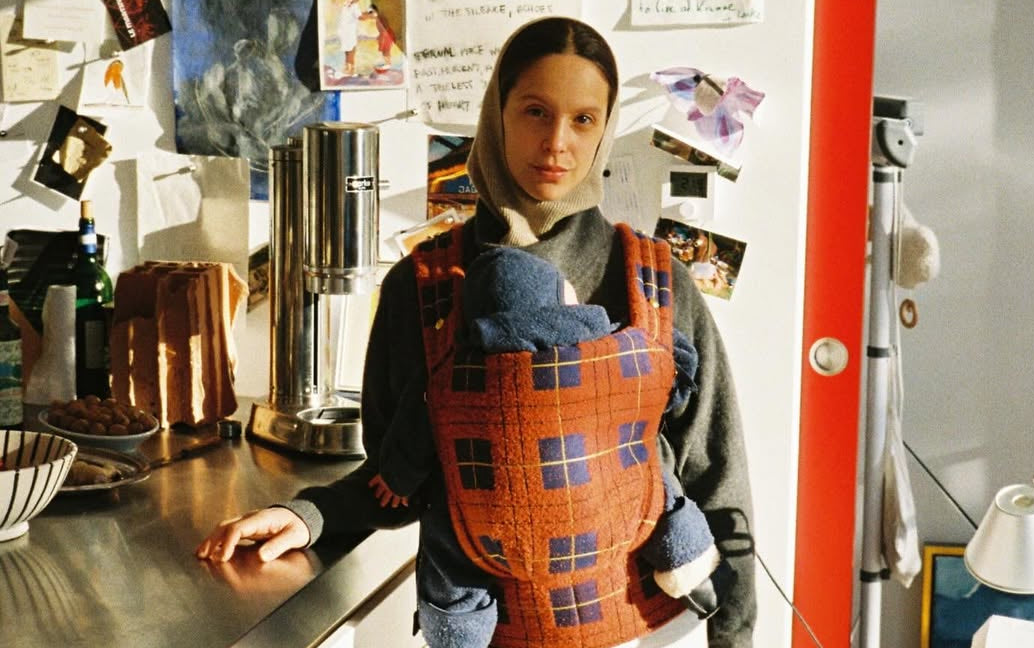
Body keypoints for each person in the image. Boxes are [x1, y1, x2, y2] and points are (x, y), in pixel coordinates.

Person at [197, 16, 755, 648]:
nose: (556, 144)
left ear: (604, 130)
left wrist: (735, 637)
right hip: (487, 634)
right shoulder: (424, 285)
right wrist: (306, 516)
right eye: (535, 112)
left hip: (646, 628)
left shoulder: (653, 281)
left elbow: (717, 475)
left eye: (583, 119)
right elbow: (396, 477)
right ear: (497, 112)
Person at [367, 246, 731, 647]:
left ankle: (459, 632)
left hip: (492, 529)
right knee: (653, 479)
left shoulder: (447, 376)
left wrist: (396, 480)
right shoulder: (615, 343)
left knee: (446, 538)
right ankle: (689, 563)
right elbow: (668, 365)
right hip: (618, 516)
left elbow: (412, 432)